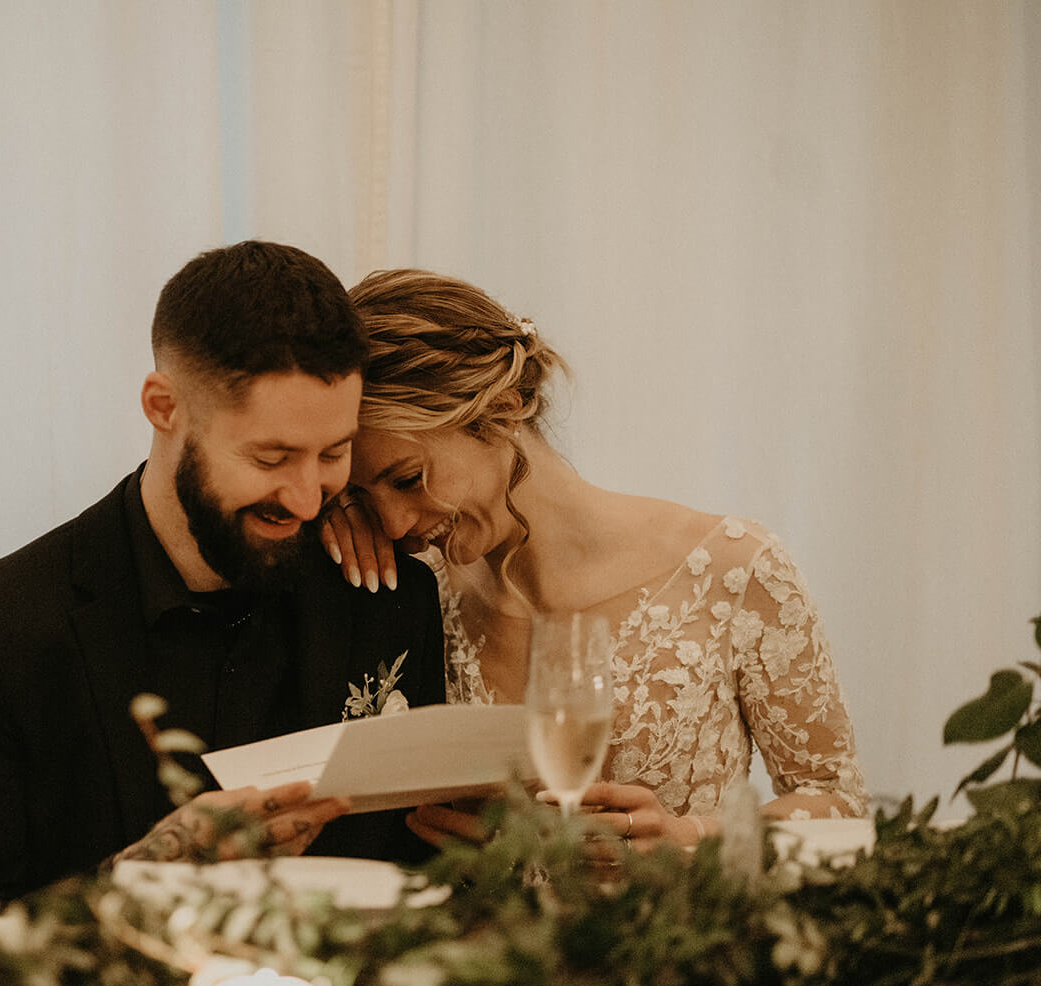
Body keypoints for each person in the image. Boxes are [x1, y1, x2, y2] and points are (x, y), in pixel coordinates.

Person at [0, 242, 445, 921]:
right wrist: (135, 881)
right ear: (163, 406)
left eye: (334, 453)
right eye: (271, 456)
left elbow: (433, 891)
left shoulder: (390, 603)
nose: (308, 499)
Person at [320, 268, 867, 853]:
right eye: (363, 497)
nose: (398, 526)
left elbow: (840, 807)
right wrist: (321, 521)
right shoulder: (411, 590)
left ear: (503, 408)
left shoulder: (734, 569)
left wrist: (689, 840)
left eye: (407, 479)